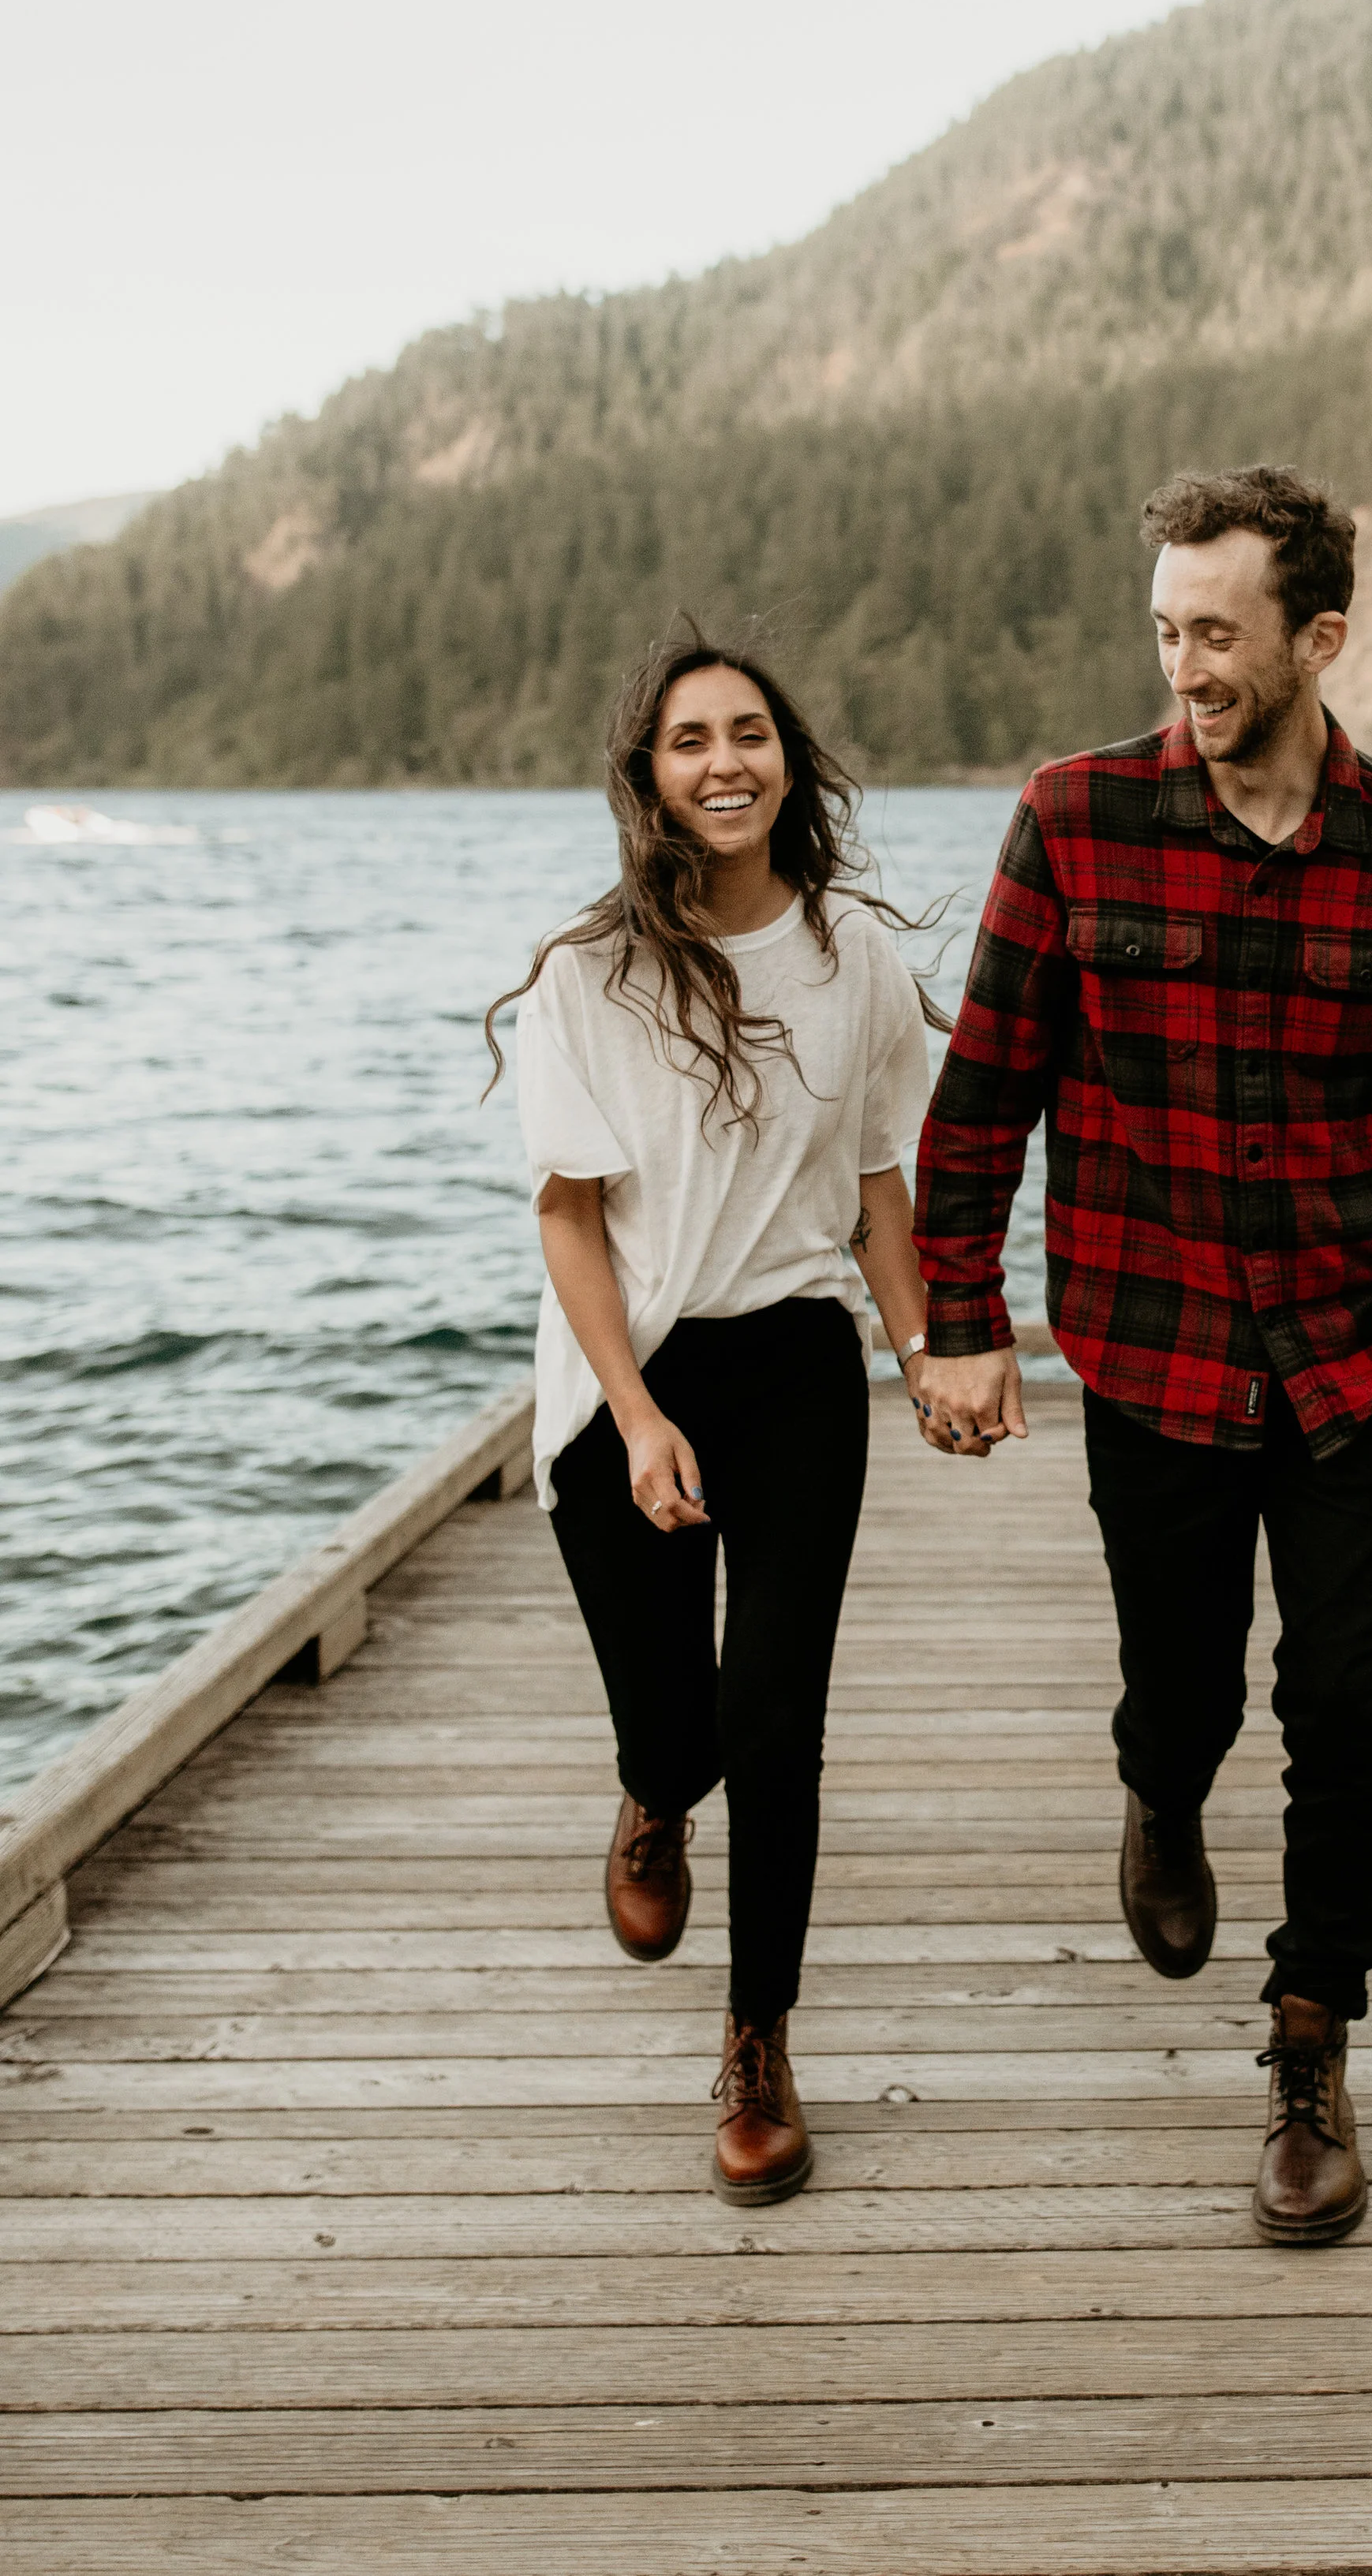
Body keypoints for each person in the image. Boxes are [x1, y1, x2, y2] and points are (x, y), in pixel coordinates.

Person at [910, 465, 1372, 2245]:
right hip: (1153, 1349)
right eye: (1163, 631)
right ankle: (1158, 1790)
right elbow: (980, 1104)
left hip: (1351, 1364)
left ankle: (1307, 2038)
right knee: (1181, 1687)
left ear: (1316, 639)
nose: (1181, 665)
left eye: (1215, 632)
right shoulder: (1075, 819)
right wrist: (957, 1327)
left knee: (1343, 1703)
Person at [485, 640, 953, 2205]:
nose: (723, 759)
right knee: (680, 1734)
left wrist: (921, 1352)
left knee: (776, 1723)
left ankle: (757, 2038)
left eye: (749, 732)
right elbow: (567, 1220)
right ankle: (648, 1795)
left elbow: (882, 1191)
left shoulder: (851, 963)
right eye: (690, 739)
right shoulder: (585, 977)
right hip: (628, 1376)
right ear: (652, 778)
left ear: (787, 765)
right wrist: (629, 1414)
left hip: (798, 1369)